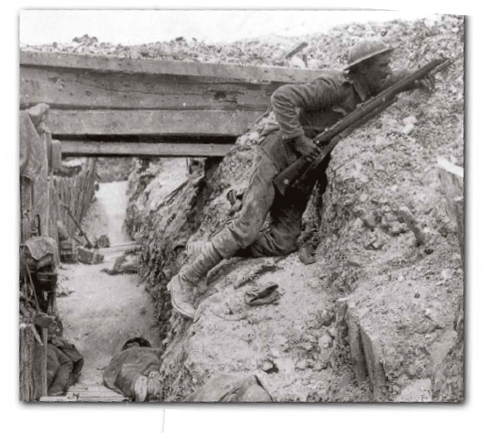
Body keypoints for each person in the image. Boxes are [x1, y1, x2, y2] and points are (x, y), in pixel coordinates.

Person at [168, 37, 434, 320]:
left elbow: (392, 82)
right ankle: (186, 279)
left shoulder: (369, 90)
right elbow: (282, 97)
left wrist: (415, 79)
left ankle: (210, 249)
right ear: (363, 69)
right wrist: (298, 139)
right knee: (247, 228)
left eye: (388, 65)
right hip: (277, 158)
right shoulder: (334, 88)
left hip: (300, 176)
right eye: (382, 65)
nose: (387, 70)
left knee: (283, 242)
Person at [103, 337, 163, 402]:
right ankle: (153, 377)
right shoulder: (152, 351)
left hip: (131, 365)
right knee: (152, 367)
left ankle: (137, 381)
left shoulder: (124, 353)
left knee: (128, 373)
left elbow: (110, 373)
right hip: (152, 360)